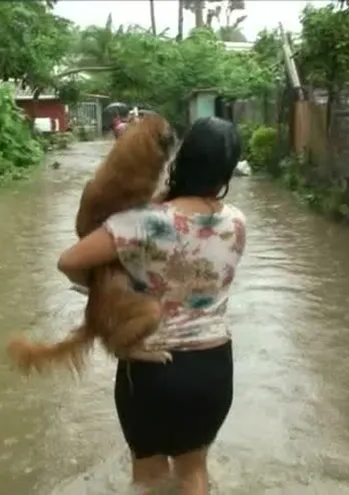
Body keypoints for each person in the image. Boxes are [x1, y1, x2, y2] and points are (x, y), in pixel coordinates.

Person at [57, 116, 246, 494]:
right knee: (194, 473)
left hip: (151, 371)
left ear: (180, 159)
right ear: (226, 172)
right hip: (212, 368)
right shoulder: (237, 221)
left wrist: (104, 290)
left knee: (148, 476)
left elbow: (69, 262)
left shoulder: (141, 223)